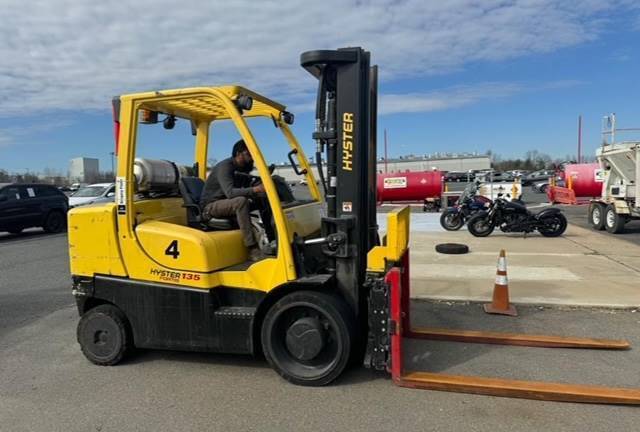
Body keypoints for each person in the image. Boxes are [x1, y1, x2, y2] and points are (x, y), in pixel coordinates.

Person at [200, 139, 273, 262]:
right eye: (249, 155)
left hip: (226, 204)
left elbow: (247, 186)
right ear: (239, 153)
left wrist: (260, 187)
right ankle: (252, 248)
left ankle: (272, 239)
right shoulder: (225, 167)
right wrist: (255, 189)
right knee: (240, 201)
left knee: (262, 199)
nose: (251, 159)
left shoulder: (240, 169)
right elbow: (230, 193)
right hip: (210, 206)